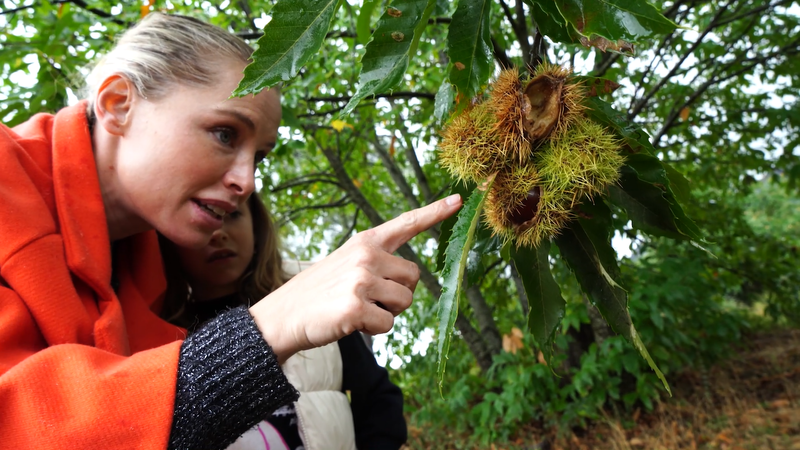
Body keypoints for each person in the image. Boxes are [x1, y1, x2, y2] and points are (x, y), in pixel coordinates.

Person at [0, 12, 462, 449]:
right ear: (118, 104)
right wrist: (271, 325)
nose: (247, 182)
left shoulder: (154, 269)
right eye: (224, 134)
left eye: (259, 156)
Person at [158, 193, 407, 450]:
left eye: (232, 214)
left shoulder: (318, 293)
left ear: (256, 225)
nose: (220, 232)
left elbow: (380, 401)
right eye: (204, 217)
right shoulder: (155, 337)